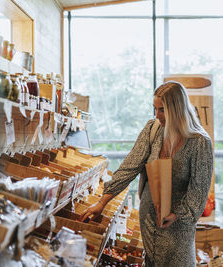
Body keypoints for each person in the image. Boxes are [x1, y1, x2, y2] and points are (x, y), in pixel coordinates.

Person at [80, 81, 214, 267]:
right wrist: (102, 202)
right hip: (150, 219)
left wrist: (175, 215)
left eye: (162, 110)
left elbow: (198, 193)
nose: (157, 115)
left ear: (177, 109)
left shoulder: (199, 143)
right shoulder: (153, 129)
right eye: (155, 109)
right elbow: (130, 166)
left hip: (178, 226)